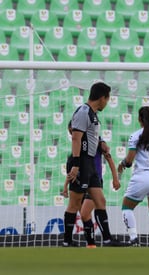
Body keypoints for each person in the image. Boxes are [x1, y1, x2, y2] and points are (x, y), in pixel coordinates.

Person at [63, 82, 118, 248]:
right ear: (102, 98)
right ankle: (67, 241)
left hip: (91, 163)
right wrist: (76, 164)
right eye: (107, 99)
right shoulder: (83, 111)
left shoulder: (92, 114)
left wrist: (101, 142)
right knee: (74, 203)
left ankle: (107, 239)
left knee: (100, 200)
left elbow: (89, 137)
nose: (106, 103)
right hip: (82, 162)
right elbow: (76, 138)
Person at [117, 106, 149, 247]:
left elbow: (129, 161)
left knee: (127, 207)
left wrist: (121, 164)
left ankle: (134, 239)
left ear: (139, 118)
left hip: (142, 177)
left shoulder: (135, 135)